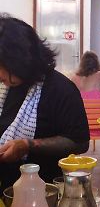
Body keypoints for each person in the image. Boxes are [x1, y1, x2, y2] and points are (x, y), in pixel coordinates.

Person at [0, 14, 90, 192]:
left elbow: (80, 142)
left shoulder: (60, 90)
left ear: (18, 61)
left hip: (43, 190)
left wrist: (28, 145)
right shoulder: (6, 87)